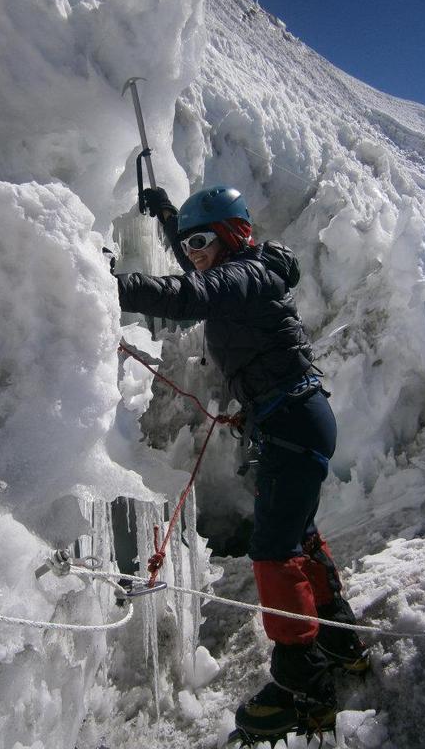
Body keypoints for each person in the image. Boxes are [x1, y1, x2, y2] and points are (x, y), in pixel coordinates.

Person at [116, 185, 367, 739]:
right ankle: (340, 639)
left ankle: (303, 688)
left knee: (274, 551)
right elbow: (201, 270)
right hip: (293, 419)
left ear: (232, 235)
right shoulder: (241, 271)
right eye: (189, 243)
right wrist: (167, 218)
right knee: (297, 537)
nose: (193, 250)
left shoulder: (249, 276)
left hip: (291, 423)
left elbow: (192, 294)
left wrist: (111, 286)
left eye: (203, 240)